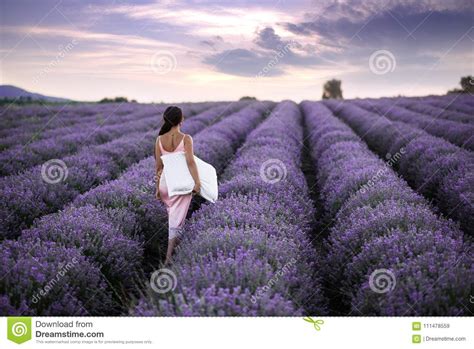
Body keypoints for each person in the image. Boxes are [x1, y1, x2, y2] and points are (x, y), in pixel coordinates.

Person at [154, 106, 201, 265]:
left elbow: (158, 167)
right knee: (176, 222)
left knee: (173, 218)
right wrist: (197, 182)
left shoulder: (159, 139)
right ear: (181, 120)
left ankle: (175, 252)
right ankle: (168, 260)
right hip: (179, 184)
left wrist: (157, 188)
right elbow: (190, 162)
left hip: (165, 184)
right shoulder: (186, 138)